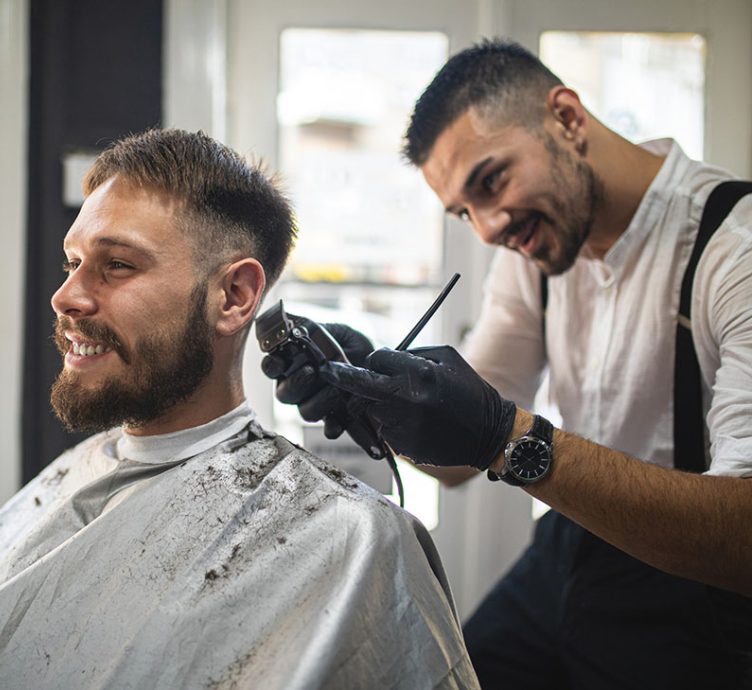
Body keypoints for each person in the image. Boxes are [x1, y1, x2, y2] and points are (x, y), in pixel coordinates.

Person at [0, 129, 479, 689]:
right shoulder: (81, 472)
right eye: (72, 262)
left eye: (116, 266)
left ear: (235, 297)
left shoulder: (351, 542)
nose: (68, 296)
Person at [268, 40, 752, 689]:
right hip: (571, 542)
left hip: (692, 579)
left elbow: (744, 538)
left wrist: (505, 436)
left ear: (568, 120)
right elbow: (463, 457)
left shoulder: (734, 251)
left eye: (491, 181)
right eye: (464, 211)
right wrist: (379, 400)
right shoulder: (539, 249)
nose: (488, 229)